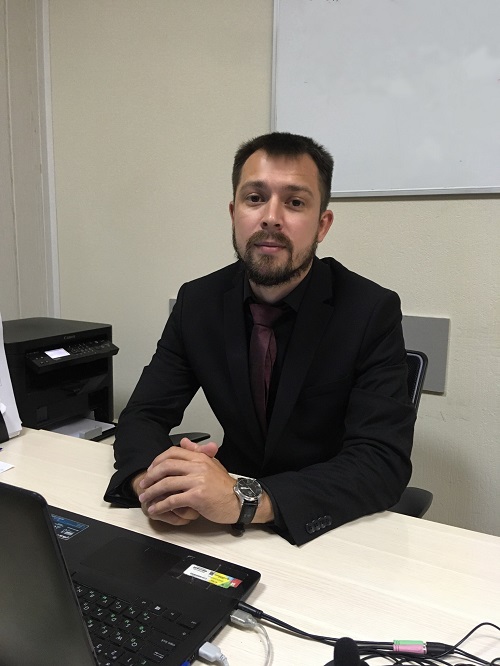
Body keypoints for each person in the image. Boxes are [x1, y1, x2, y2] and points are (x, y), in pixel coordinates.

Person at [104, 132, 416, 545]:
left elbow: (381, 461)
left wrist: (246, 500)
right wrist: (155, 484)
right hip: (221, 528)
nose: (271, 217)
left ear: (322, 225)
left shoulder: (369, 310)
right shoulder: (198, 302)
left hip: (323, 526)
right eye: (255, 198)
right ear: (234, 213)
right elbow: (143, 414)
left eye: (295, 202)